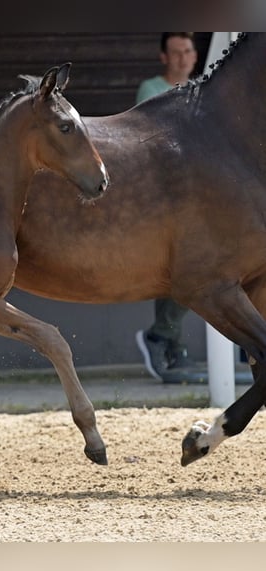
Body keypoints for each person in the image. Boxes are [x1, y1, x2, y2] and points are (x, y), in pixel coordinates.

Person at [134, 33, 200, 383]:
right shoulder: (151, 89)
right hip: (160, 194)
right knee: (184, 270)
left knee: (194, 270)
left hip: (194, 194)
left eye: (187, 51)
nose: (182, 58)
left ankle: (167, 339)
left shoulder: (204, 89)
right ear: (164, 57)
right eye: (175, 52)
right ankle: (161, 338)